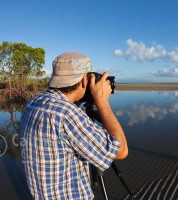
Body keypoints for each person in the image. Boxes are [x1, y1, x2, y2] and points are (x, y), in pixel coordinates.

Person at [20, 52, 128, 199]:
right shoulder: (66, 114)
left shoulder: (34, 102)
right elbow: (121, 151)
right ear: (84, 80)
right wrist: (102, 102)